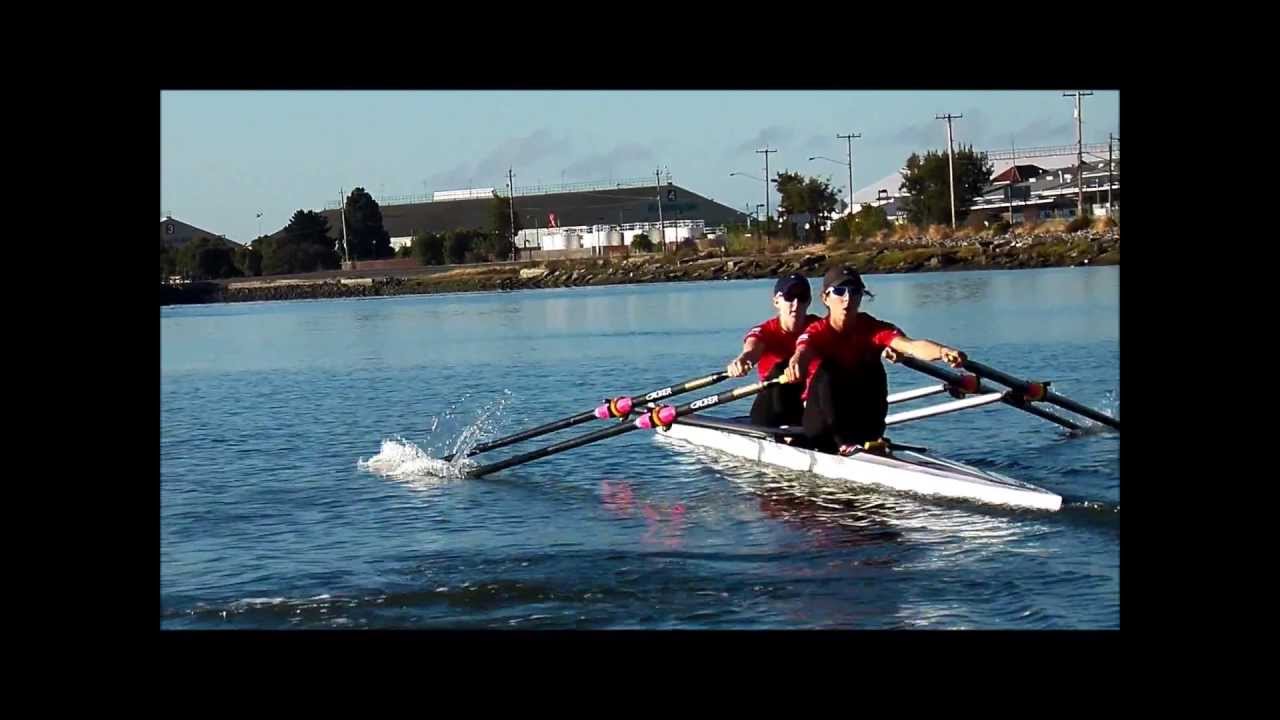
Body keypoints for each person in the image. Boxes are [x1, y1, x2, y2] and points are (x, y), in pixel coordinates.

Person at [782, 266, 967, 456]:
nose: (847, 298)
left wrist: (943, 351)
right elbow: (802, 352)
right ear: (825, 298)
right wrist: (796, 364)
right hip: (822, 426)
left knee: (872, 367)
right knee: (829, 369)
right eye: (839, 291)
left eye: (855, 291)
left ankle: (868, 438)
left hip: (862, 423)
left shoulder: (872, 328)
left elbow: (911, 346)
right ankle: (842, 443)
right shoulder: (816, 332)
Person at [725, 273, 820, 429]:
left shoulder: (818, 327)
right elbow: (752, 350)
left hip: (808, 407)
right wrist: (742, 360)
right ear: (776, 301)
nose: (795, 304)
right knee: (781, 368)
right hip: (771, 413)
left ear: (808, 301)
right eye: (789, 297)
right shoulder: (765, 331)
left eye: (801, 297)